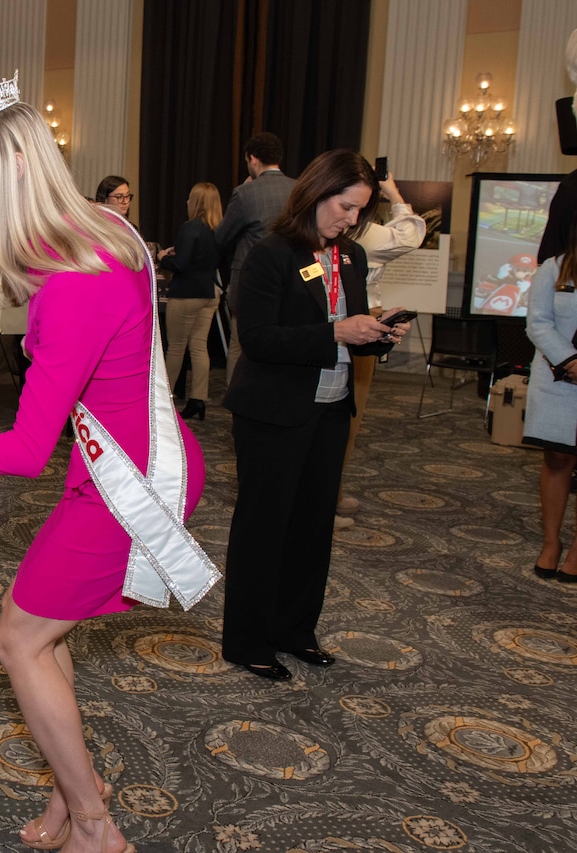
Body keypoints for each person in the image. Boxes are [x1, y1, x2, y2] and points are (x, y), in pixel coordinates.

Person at [0, 75, 218, 853]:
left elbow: (21, 451)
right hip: (117, 463)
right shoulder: (104, 229)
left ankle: (97, 826)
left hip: (125, 483)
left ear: (14, 167)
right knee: (43, 631)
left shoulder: (74, 281)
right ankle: (74, 793)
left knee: (16, 639)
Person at [221, 149, 410, 680]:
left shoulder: (350, 257)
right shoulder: (272, 253)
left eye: (359, 212)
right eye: (346, 207)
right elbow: (258, 340)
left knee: (312, 528)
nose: (351, 220)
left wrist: (377, 333)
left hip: (329, 412)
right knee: (264, 528)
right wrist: (336, 331)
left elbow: (348, 331)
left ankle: (294, 631)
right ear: (317, 194)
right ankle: (247, 640)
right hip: (273, 413)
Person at [334, 172, 427, 530]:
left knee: (340, 421)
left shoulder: (352, 234)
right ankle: (329, 495)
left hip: (354, 323)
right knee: (347, 421)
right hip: (359, 323)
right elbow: (412, 233)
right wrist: (394, 193)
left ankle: (333, 492)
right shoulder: (367, 235)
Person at [214, 132, 296, 385]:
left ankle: (236, 394)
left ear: (252, 158)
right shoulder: (298, 189)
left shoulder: (245, 193)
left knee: (240, 344)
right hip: (290, 278)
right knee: (283, 341)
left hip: (249, 279)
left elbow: (221, 237)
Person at [524, 214, 577, 582]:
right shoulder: (554, 269)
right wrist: (571, 360)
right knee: (558, 458)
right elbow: (538, 322)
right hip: (559, 378)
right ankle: (551, 542)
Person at [157, 182, 223, 420]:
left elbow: (181, 265)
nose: (186, 202)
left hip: (186, 293)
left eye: (189, 198)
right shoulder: (219, 229)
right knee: (199, 346)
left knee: (175, 347)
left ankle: (165, 400)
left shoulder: (190, 227)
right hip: (210, 293)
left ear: (196, 202)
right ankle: (199, 399)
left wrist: (162, 257)